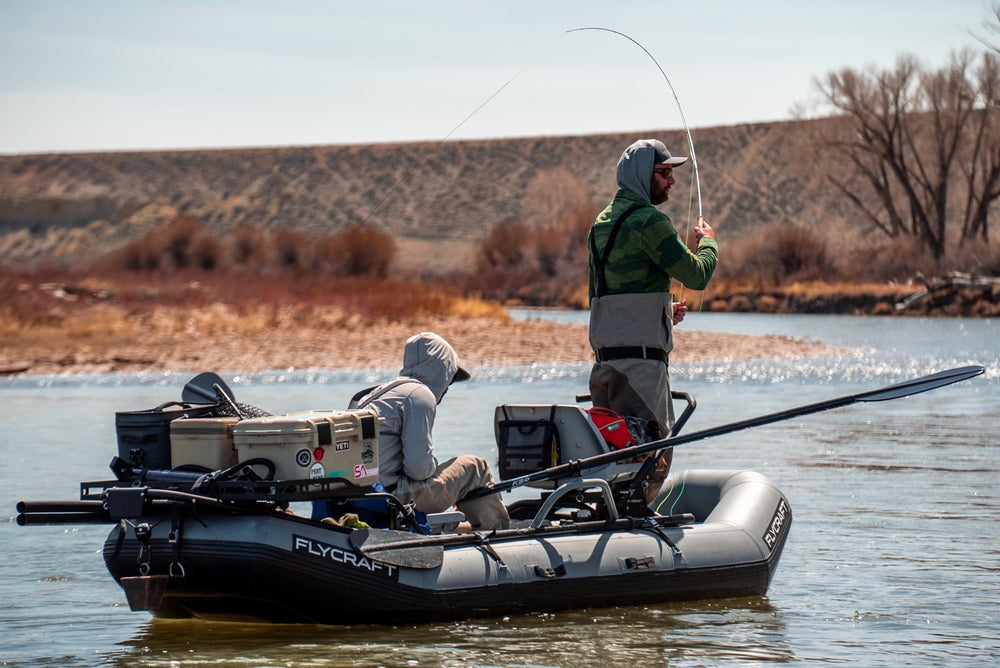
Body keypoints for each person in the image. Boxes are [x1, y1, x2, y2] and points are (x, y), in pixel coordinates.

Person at [588, 138, 718, 463]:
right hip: (642, 371)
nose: (672, 180)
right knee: (650, 460)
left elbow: (608, 292)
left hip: (604, 365)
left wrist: (662, 311)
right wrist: (709, 244)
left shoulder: (600, 224)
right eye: (664, 172)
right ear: (643, 175)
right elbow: (697, 275)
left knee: (611, 457)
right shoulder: (650, 221)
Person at [350, 332, 510, 532]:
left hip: (360, 493)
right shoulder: (419, 395)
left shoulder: (375, 394)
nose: (448, 388)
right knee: (475, 467)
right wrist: (439, 474)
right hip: (393, 496)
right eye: (450, 379)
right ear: (441, 372)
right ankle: (496, 534)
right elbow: (418, 470)